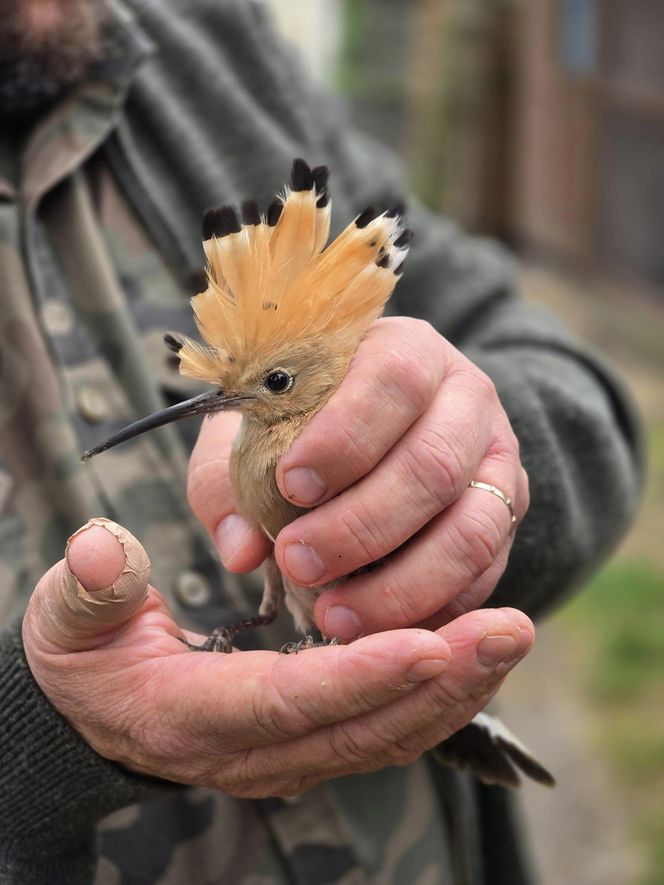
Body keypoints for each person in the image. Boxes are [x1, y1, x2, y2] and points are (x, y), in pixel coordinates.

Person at [0, 1, 642, 883]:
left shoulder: (206, 41)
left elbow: (573, 386)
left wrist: (477, 459)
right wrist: (35, 732)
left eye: (264, 388)